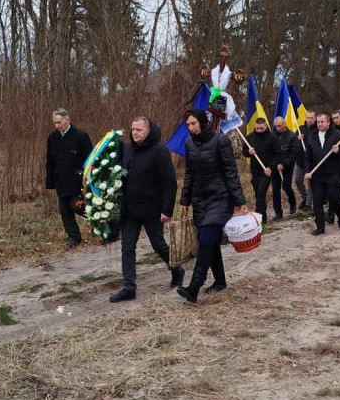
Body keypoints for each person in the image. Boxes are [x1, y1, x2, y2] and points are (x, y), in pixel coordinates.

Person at [177, 108, 248, 303]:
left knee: (207, 237)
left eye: (194, 123)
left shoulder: (220, 141)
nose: (191, 128)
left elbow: (231, 173)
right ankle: (220, 281)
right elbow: (189, 173)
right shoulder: (189, 143)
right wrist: (185, 200)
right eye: (188, 125)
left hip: (221, 197)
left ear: (203, 122)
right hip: (201, 199)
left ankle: (194, 286)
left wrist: (240, 201)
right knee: (210, 240)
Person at [109, 117, 182, 303]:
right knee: (127, 247)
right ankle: (129, 287)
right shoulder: (126, 149)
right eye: (133, 129)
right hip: (130, 210)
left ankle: (176, 270)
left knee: (158, 244)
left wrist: (167, 209)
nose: (135, 133)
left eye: (139, 130)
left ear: (148, 131)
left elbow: (170, 182)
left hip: (152, 209)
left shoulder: (159, 151)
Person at [46, 109, 94, 249]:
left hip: (77, 180)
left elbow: (89, 159)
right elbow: (50, 160)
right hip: (60, 180)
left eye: (59, 122)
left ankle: (104, 223)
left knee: (77, 206)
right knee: (65, 211)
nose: (56, 125)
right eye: (54, 122)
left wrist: (88, 180)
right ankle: (73, 238)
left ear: (68, 120)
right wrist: (50, 182)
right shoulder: (52, 137)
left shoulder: (81, 136)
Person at [304, 113, 340, 235]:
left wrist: (339, 152)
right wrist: (307, 171)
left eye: (322, 122)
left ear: (328, 123)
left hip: (333, 173)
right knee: (317, 201)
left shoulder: (338, 136)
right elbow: (307, 157)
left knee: (334, 197)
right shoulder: (312, 136)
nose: (320, 124)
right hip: (316, 175)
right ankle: (320, 226)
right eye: (318, 122)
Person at [241, 117, 280, 226]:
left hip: (267, 171)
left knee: (261, 193)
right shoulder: (250, 137)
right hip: (255, 170)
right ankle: (264, 216)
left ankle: (259, 218)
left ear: (266, 126)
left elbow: (278, 155)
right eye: (257, 128)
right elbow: (244, 151)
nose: (258, 130)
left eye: (261, 129)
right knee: (258, 194)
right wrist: (248, 152)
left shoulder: (272, 137)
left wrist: (271, 167)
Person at [272, 117, 302, 219]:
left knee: (286, 186)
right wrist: (274, 164)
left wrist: (284, 164)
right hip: (275, 167)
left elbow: (295, 153)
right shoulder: (273, 136)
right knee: (275, 189)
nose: (277, 128)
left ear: (285, 124)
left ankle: (292, 203)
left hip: (287, 167)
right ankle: (278, 212)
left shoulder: (292, 136)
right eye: (276, 126)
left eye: (279, 126)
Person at [295, 110, 317, 210]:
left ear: (315, 118)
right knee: (297, 180)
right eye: (308, 117)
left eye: (311, 118)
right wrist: (297, 139)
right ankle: (304, 198)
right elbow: (294, 144)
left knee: (310, 182)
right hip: (300, 160)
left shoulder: (318, 129)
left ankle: (309, 203)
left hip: (311, 160)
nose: (309, 120)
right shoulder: (300, 129)